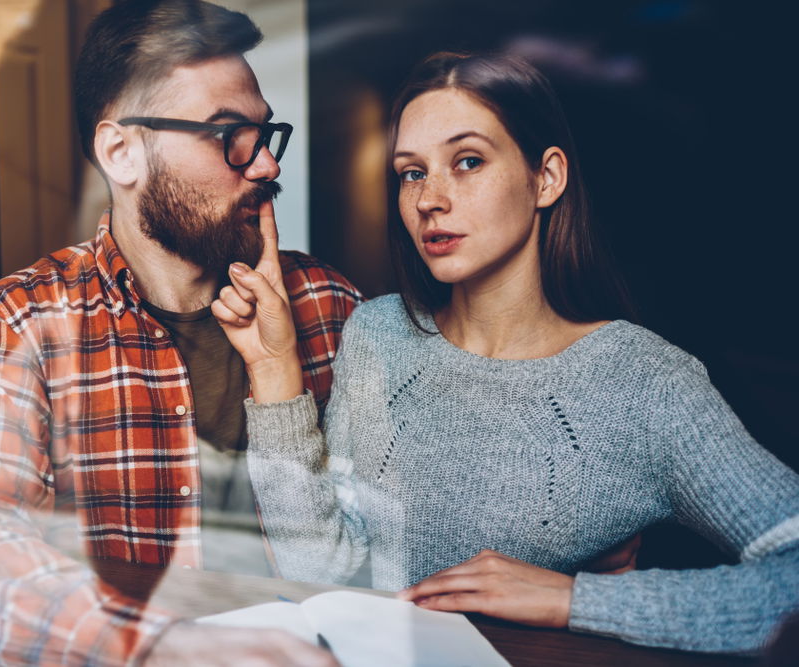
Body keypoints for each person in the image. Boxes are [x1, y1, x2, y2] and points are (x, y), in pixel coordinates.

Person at [212, 51, 799, 654]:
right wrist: (273, 367)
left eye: (467, 162)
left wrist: (573, 601)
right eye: (412, 173)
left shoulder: (646, 381)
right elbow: (324, 572)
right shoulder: (377, 332)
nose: (429, 200)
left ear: (546, 178)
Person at [0, 2, 359, 665]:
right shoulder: (20, 323)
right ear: (122, 152)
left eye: (265, 134)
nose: (265, 165)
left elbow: (378, 556)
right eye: (229, 133)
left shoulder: (330, 306)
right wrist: (158, 644)